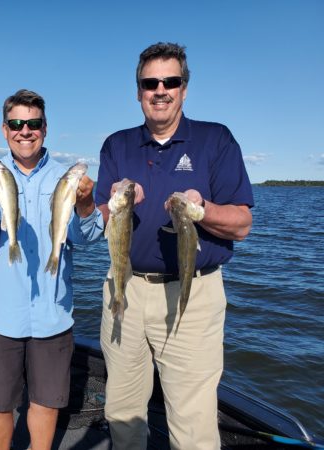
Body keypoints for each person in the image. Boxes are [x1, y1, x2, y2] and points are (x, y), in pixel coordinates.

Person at [95, 43, 254, 450]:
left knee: (193, 422)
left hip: (193, 292)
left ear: (184, 88)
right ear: (138, 91)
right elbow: (99, 219)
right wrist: (115, 201)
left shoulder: (216, 139)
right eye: (150, 83)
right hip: (124, 288)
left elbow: (241, 225)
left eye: (170, 81)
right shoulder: (116, 145)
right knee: (122, 410)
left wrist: (201, 210)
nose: (160, 90)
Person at [0, 89, 104, 450]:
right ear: (4, 129)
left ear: (45, 128)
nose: (24, 131)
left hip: (52, 312)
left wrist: (86, 204)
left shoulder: (64, 176)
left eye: (33, 123)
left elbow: (87, 237)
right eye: (16, 124)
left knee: (46, 401)